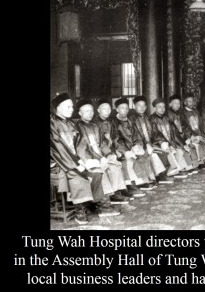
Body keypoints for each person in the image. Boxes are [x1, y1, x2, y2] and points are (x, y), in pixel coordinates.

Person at [50, 93, 119, 225]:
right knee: (77, 176)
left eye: (71, 107)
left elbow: (79, 146)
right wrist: (77, 164)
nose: (72, 109)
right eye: (68, 107)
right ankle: (79, 210)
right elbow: (58, 148)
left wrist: (85, 160)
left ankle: (94, 203)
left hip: (74, 160)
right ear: (58, 107)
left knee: (97, 172)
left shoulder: (70, 123)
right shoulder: (52, 124)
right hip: (58, 161)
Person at [75, 99, 131, 205]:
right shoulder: (77, 128)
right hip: (88, 159)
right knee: (101, 169)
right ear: (80, 113)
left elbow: (102, 144)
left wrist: (109, 154)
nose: (90, 113)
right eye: (86, 111)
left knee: (115, 164)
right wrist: (98, 159)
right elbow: (80, 148)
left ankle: (115, 193)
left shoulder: (94, 126)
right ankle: (104, 199)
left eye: (91, 111)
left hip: (100, 156)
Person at [93, 99, 145, 198]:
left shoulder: (111, 122)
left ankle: (124, 188)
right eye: (104, 109)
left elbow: (116, 138)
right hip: (101, 153)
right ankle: (118, 191)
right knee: (119, 163)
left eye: (109, 109)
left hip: (112, 150)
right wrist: (111, 153)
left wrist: (119, 150)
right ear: (98, 110)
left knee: (126, 159)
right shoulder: (95, 124)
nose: (107, 111)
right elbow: (100, 142)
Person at [112, 97, 156, 191]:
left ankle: (142, 181)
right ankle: (131, 183)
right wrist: (126, 150)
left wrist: (137, 145)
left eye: (127, 108)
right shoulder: (114, 122)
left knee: (143, 153)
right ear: (117, 109)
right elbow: (116, 140)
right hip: (122, 149)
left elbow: (137, 135)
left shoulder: (130, 121)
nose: (125, 110)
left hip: (132, 147)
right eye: (122, 108)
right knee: (130, 159)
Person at [129, 96, 172, 185]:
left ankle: (160, 175)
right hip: (139, 145)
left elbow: (156, 133)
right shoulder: (131, 119)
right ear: (134, 107)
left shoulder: (148, 118)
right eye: (139, 105)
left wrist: (162, 142)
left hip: (151, 144)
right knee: (150, 154)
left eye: (144, 106)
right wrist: (145, 145)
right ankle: (154, 177)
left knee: (163, 151)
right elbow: (134, 135)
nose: (142, 108)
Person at [150, 97, 196, 178]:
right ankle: (168, 171)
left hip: (170, 143)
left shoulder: (167, 118)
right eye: (159, 107)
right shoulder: (151, 119)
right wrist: (163, 143)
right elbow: (155, 134)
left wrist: (183, 144)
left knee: (180, 149)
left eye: (163, 107)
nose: (162, 109)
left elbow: (175, 134)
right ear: (154, 108)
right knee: (171, 152)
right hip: (158, 144)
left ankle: (176, 170)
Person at [167, 94, 205, 170]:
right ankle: (187, 166)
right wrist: (184, 141)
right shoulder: (169, 115)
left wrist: (190, 136)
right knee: (190, 146)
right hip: (174, 140)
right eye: (175, 103)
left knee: (195, 143)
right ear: (170, 104)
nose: (177, 105)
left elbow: (184, 126)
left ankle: (194, 165)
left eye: (178, 103)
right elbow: (173, 132)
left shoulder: (179, 113)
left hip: (181, 137)